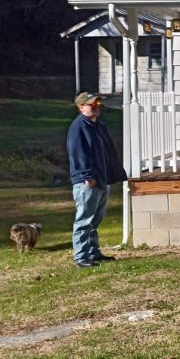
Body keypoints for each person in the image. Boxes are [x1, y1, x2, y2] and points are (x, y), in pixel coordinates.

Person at [66, 92, 127, 269]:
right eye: (91, 104)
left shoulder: (97, 126)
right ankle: (81, 257)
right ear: (80, 107)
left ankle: (94, 253)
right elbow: (78, 154)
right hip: (87, 182)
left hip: (101, 179)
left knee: (94, 220)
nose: (95, 106)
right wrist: (87, 176)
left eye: (97, 103)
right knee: (84, 220)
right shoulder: (78, 127)